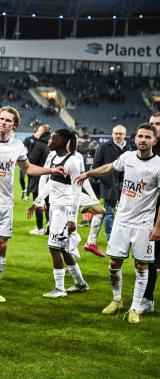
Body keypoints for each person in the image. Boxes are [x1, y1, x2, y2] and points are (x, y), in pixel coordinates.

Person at [0, 106, 64, 302]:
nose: (3, 122)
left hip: (5, 203)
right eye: (1, 119)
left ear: (14, 125)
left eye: (8, 121)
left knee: (2, 246)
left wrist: (51, 171)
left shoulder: (17, 146)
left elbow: (28, 168)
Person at [75, 123, 160, 324]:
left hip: (144, 223)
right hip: (122, 220)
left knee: (141, 266)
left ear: (154, 141)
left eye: (148, 137)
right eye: (140, 136)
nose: (143, 140)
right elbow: (110, 167)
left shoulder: (158, 165)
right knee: (114, 263)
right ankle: (117, 300)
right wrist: (89, 173)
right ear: (135, 138)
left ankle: (135, 308)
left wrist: (157, 226)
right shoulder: (127, 157)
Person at [28, 129, 89, 298]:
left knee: (54, 247)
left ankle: (60, 289)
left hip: (64, 210)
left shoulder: (73, 162)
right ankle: (80, 283)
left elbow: (77, 192)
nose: (48, 141)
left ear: (61, 141)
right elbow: (51, 184)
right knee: (62, 248)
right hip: (55, 207)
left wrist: (72, 218)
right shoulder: (54, 157)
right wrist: (37, 201)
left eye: (52, 139)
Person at [91, 124, 134, 241]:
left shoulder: (130, 148)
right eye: (115, 133)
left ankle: (125, 236)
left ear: (125, 135)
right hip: (109, 185)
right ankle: (111, 237)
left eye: (120, 134)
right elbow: (95, 166)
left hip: (126, 185)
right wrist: (105, 180)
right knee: (109, 211)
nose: (118, 136)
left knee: (126, 212)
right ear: (112, 134)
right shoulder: (104, 147)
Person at [143, 111, 160, 313]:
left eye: (158, 123)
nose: (154, 126)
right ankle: (147, 299)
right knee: (150, 258)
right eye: (152, 123)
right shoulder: (145, 148)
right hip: (151, 212)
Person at [26, 124, 51, 235]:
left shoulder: (39, 144)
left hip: (38, 177)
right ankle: (50, 226)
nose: (36, 132)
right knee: (49, 204)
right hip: (51, 178)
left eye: (38, 130)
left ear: (43, 132)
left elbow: (31, 161)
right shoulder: (53, 144)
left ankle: (40, 228)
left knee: (38, 201)